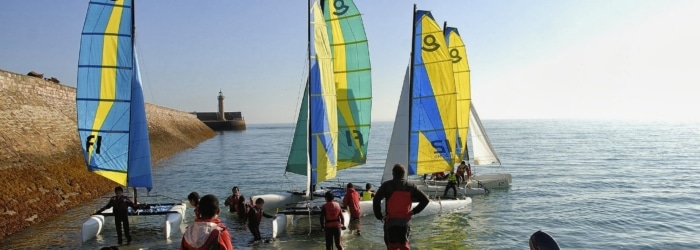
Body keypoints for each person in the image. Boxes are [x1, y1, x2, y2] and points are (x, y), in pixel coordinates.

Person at [373, 164, 430, 250]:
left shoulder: (386, 185)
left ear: (393, 174)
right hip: (405, 223)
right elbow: (425, 200)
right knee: (404, 245)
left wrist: (379, 216)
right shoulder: (411, 186)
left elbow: (376, 200)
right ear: (403, 174)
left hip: (390, 222)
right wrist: (414, 211)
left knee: (391, 246)